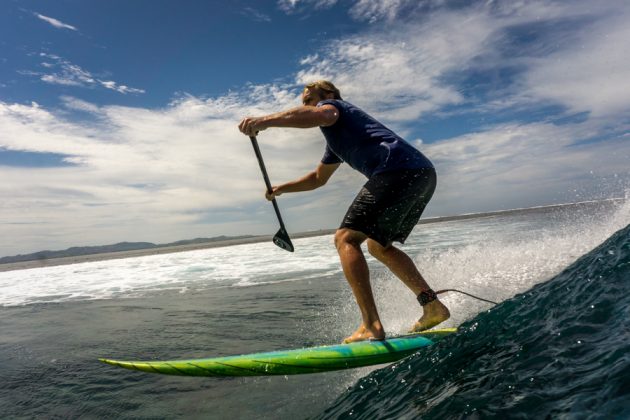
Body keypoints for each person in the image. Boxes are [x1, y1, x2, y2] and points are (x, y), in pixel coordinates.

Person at [238, 80, 449, 343]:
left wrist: (263, 121)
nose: (304, 100)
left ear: (327, 95)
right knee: (377, 246)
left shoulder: (333, 107)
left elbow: (320, 115)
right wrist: (281, 188)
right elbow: (317, 178)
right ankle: (432, 306)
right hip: (421, 175)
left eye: (308, 97)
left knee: (345, 238)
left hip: (397, 170)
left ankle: (371, 324)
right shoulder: (336, 141)